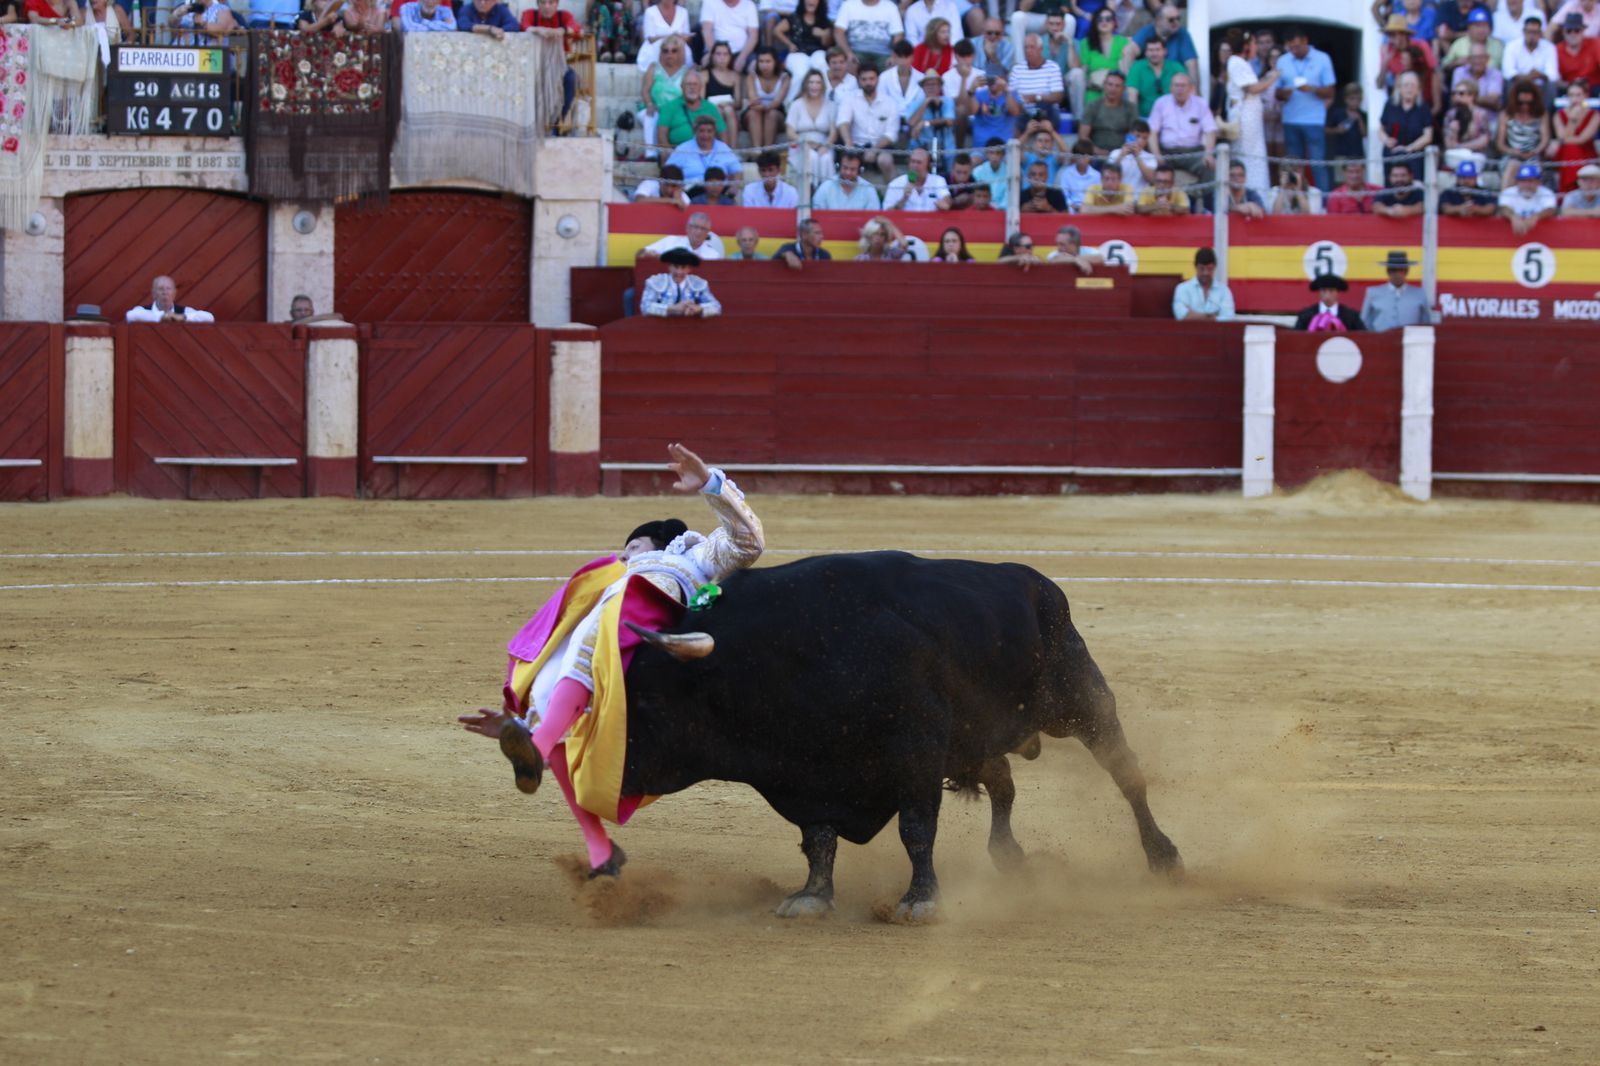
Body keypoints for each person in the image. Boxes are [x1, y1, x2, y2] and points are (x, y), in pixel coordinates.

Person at [458, 444, 761, 879]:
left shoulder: (688, 556)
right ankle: (599, 850)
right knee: (558, 702)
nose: (622, 557)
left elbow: (748, 540)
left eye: (631, 547)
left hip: (656, 643)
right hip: (609, 663)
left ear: (659, 543)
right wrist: (521, 722)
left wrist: (712, 484)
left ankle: (538, 747)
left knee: (599, 631)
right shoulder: (609, 585)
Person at [1275, 26, 1336, 193]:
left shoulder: (1322, 58)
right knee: (1293, 166)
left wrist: (1313, 89)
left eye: (1297, 47)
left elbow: (1331, 91)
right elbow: (1276, 93)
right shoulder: (1283, 60)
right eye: (1291, 48)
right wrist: (1283, 93)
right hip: (1290, 120)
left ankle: (1323, 203)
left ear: (1305, 41)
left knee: (1317, 164)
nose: (1294, 51)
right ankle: (1295, 201)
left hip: (1314, 120)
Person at [1147, 73, 1214, 211]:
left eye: (1183, 86)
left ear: (1191, 88)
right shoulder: (1161, 103)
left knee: (1210, 167)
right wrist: (1157, 155)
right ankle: (1152, 206)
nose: (1179, 89)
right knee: (1150, 165)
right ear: (1171, 88)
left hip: (1192, 151)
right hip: (1166, 151)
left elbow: (1211, 131)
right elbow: (1152, 132)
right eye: (1176, 85)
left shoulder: (1200, 103)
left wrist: (1208, 153)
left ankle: (1209, 209)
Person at [1226, 27, 1278, 199]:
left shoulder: (1242, 63)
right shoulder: (1236, 61)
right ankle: (1251, 194)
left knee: (1256, 156)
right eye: (1254, 43)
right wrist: (1273, 77)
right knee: (1249, 156)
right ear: (1246, 45)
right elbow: (1252, 88)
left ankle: (1258, 195)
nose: (1256, 47)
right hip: (1245, 117)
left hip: (1251, 116)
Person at [834, 67, 900, 182]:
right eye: (864, 79)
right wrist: (849, 144)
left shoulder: (890, 102)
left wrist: (874, 149)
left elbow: (891, 134)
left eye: (871, 79)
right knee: (847, 160)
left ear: (878, 79)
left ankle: (890, 195)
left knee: (886, 160)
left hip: (881, 146)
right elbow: (843, 122)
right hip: (856, 145)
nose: (868, 82)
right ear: (859, 81)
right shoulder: (849, 98)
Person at [523, 0, 581, 126]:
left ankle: (556, 121)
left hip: (558, 66)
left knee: (571, 79)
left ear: (557, 4)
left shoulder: (563, 16)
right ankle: (532, 123)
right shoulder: (530, 14)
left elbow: (576, 28)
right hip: (534, 66)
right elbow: (524, 26)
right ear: (538, 4)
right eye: (543, 3)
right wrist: (538, 30)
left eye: (551, 3)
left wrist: (562, 30)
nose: (547, 7)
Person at [785, 70, 838, 185]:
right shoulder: (796, 104)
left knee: (826, 158)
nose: (814, 86)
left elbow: (834, 132)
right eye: (811, 82)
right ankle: (808, 192)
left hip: (824, 144)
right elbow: (790, 132)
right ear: (806, 84)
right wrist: (805, 143)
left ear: (822, 85)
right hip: (801, 144)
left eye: (818, 83)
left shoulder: (831, 105)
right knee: (812, 157)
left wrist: (825, 146)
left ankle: (824, 193)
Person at [640, 35, 692, 149]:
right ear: (661, 52)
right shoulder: (653, 67)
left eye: (674, 51)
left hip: (676, 110)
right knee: (650, 115)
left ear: (680, 52)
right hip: (654, 107)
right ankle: (651, 152)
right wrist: (650, 104)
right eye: (666, 51)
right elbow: (645, 91)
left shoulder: (687, 72)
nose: (670, 54)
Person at [1498, 76, 1552, 184]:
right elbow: (1500, 144)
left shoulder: (1541, 115)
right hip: (1512, 155)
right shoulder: (1506, 115)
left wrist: (1535, 151)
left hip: (1533, 155)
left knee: (1533, 169)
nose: (1525, 107)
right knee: (1513, 166)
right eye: (1521, 103)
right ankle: (1505, 199)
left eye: (1529, 103)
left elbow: (1545, 139)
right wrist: (1513, 152)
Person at [1380, 71, 1433, 178]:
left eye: (1413, 85)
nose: (1409, 89)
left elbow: (1428, 136)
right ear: (1399, 88)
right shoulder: (1390, 105)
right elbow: (1381, 128)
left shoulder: (1423, 108)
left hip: (1414, 155)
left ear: (1418, 89)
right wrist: (1386, 140)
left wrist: (1409, 149)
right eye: (1406, 85)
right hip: (1392, 154)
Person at [640, 248, 724, 316]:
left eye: (683, 267)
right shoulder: (655, 282)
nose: (679, 272)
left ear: (689, 269)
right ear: (669, 267)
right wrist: (672, 308)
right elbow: (645, 307)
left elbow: (717, 307)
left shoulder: (698, 283)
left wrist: (699, 308)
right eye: (676, 267)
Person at [1078, 8, 1134, 108]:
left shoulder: (1123, 42)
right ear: (1095, 22)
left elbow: (1125, 71)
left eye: (1108, 19)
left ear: (1114, 22)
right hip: (1094, 90)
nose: (1104, 22)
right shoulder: (1086, 43)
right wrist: (1091, 84)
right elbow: (1083, 72)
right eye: (1100, 19)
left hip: (1117, 90)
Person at [1361, 250, 1430, 331]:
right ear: (1388, 271)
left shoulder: (1419, 294)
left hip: (1409, 341)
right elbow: (1364, 323)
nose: (1397, 274)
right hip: (1381, 341)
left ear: (1406, 271)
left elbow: (1426, 324)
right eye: (1393, 270)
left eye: (1401, 270)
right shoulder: (1373, 293)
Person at [1550, 79, 1598, 192]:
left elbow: (1582, 139)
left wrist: (1563, 139)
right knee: (1570, 148)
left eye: (1578, 95)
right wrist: (1572, 120)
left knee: (1571, 148)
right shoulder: (1559, 115)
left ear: (1585, 96)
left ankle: (1571, 188)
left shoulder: (1594, 115)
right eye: (1571, 95)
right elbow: (1561, 137)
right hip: (1565, 152)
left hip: (1586, 151)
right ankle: (1572, 188)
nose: (1575, 99)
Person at [657, 70, 726, 148]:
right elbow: (661, 134)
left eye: (695, 84)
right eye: (688, 84)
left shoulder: (711, 108)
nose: (692, 87)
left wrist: (722, 153)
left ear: (700, 87)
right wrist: (667, 152)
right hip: (680, 153)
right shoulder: (669, 107)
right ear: (682, 86)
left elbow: (722, 134)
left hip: (706, 153)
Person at [665, 115, 741, 186]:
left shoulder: (723, 148)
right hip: (690, 192)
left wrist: (733, 189)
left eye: (709, 131)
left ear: (714, 132)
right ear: (695, 132)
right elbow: (669, 171)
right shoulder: (683, 149)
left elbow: (738, 171)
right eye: (702, 131)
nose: (706, 135)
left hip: (718, 192)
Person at [776, 0, 833, 93]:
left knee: (822, 66)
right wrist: (789, 44)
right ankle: (790, 103)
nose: (811, 1)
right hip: (797, 52)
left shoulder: (824, 20)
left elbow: (826, 44)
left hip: (817, 52)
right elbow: (777, 30)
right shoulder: (795, 17)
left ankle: (827, 99)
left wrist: (823, 34)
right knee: (801, 72)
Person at [1132, 5, 1200, 82]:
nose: (1176, 22)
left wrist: (1195, 91)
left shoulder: (1182, 34)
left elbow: (1192, 64)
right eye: (1171, 20)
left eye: (1178, 19)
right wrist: (1131, 81)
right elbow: (1129, 52)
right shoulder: (1146, 32)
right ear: (1158, 20)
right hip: (1148, 82)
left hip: (1175, 84)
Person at [1080, 69, 1137, 159]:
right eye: (1110, 84)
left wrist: (1121, 153)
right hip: (1095, 155)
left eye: (1117, 86)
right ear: (1104, 85)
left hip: (1122, 155)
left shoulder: (1130, 108)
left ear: (1123, 89)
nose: (1113, 89)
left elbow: (1133, 136)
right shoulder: (1093, 106)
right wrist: (1098, 151)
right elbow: (1083, 137)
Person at [834, 0, 904, 72]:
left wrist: (894, 56)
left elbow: (898, 34)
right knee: (850, 64)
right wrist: (848, 53)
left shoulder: (891, 7)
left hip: (884, 54)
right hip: (856, 51)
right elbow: (839, 32)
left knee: (892, 68)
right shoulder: (848, 5)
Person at [743, 46, 791, 148]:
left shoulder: (784, 78)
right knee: (754, 113)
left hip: (777, 113)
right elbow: (753, 100)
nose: (764, 65)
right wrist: (760, 107)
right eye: (761, 61)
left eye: (768, 61)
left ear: (775, 62)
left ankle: (768, 152)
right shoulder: (751, 77)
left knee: (771, 114)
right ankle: (757, 150)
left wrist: (764, 108)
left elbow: (777, 102)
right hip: (755, 111)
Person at [1171, 247, 1234, 321]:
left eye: (1209, 269)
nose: (1205, 273)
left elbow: (1228, 318)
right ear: (1195, 266)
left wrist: (1194, 315)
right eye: (1202, 268)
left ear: (1215, 267)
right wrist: (1212, 317)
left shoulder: (1224, 291)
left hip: (1217, 332)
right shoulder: (1183, 289)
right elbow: (1181, 316)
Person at [1499, 160, 1559, 232]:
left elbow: (1550, 209)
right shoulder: (1509, 192)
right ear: (1517, 182)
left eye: (1530, 181)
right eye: (1523, 181)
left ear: (1538, 182)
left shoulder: (1547, 193)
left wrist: (1536, 217)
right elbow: (1503, 208)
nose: (1527, 185)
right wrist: (1513, 217)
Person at [639, 211, 726, 260]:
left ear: (707, 233)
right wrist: (648, 254)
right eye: (695, 227)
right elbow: (640, 254)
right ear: (687, 228)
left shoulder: (713, 255)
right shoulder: (671, 240)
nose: (699, 232)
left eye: (703, 229)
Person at [813, 149, 884, 209]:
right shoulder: (826, 187)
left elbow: (873, 218)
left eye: (852, 169)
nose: (848, 172)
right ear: (838, 167)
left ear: (860, 170)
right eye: (845, 168)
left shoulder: (869, 189)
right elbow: (817, 214)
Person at [1126, 34, 1176, 118]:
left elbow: (1188, 91)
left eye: (1157, 50)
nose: (1154, 53)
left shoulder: (1175, 67)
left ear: (1165, 51)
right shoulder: (1137, 67)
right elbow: (1132, 95)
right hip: (1145, 118)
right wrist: (1134, 120)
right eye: (1151, 50)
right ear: (1145, 53)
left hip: (1171, 118)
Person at [885, 147, 951, 211]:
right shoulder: (895, 184)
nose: (915, 165)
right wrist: (904, 199)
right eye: (912, 161)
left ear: (928, 165)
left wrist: (944, 203)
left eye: (919, 162)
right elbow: (887, 213)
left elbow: (946, 198)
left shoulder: (938, 181)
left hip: (932, 221)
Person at [908, 71, 957, 156]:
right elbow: (911, 123)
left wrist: (925, 123)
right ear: (922, 88)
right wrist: (926, 102)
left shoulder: (948, 101)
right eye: (927, 85)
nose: (931, 87)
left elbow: (949, 121)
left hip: (945, 146)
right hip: (923, 146)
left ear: (940, 87)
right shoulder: (916, 103)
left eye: (934, 84)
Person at [126, 276, 214, 323]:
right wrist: (162, 318)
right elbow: (131, 315)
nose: (165, 292)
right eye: (161, 289)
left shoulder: (184, 311)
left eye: (168, 289)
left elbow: (209, 318)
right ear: (153, 293)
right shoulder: (142, 310)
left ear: (174, 293)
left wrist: (181, 318)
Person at [701, 0, 759, 71]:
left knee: (755, 66)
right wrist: (714, 53)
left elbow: (753, 36)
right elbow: (707, 31)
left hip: (742, 51)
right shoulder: (710, 2)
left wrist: (742, 58)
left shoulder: (749, 5)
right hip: (715, 49)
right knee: (705, 62)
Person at [1294, 274, 1365, 332]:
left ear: (1338, 293)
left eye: (1331, 291)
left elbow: (1363, 337)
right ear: (1319, 293)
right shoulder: (1306, 315)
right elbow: (1296, 338)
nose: (1327, 294)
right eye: (1324, 290)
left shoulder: (1350, 316)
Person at [638, 0, 692, 72]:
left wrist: (681, 37)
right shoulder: (650, 12)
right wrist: (671, 36)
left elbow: (687, 37)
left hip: (678, 47)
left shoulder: (683, 12)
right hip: (655, 48)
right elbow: (650, 38)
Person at [1555, 11, 1600, 86]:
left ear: (1583, 31)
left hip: (1594, 89)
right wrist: (1573, 86)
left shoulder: (1595, 44)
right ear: (1563, 32)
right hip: (1568, 91)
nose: (1573, 34)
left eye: (1577, 30)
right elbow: (1555, 78)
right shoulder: (1557, 50)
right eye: (1569, 31)